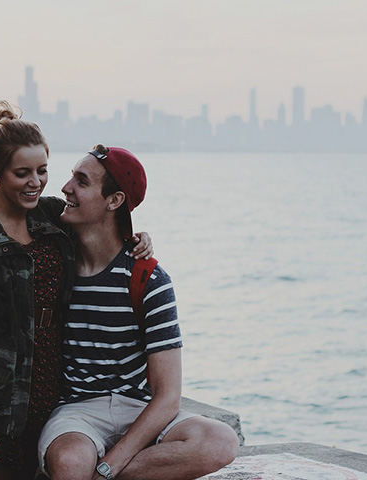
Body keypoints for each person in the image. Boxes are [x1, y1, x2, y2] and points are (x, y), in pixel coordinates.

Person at [0, 102, 152, 480]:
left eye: (42, 170)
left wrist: (138, 238)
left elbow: (102, 231)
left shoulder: (53, 215)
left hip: (57, 395)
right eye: (22, 173)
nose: (35, 182)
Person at [38, 145, 240, 480]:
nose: (65, 187)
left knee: (220, 442)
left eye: (81, 181)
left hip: (138, 407)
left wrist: (108, 468)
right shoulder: (55, 265)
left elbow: (168, 397)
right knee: (71, 462)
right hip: (77, 412)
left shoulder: (148, 279)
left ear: (114, 200)